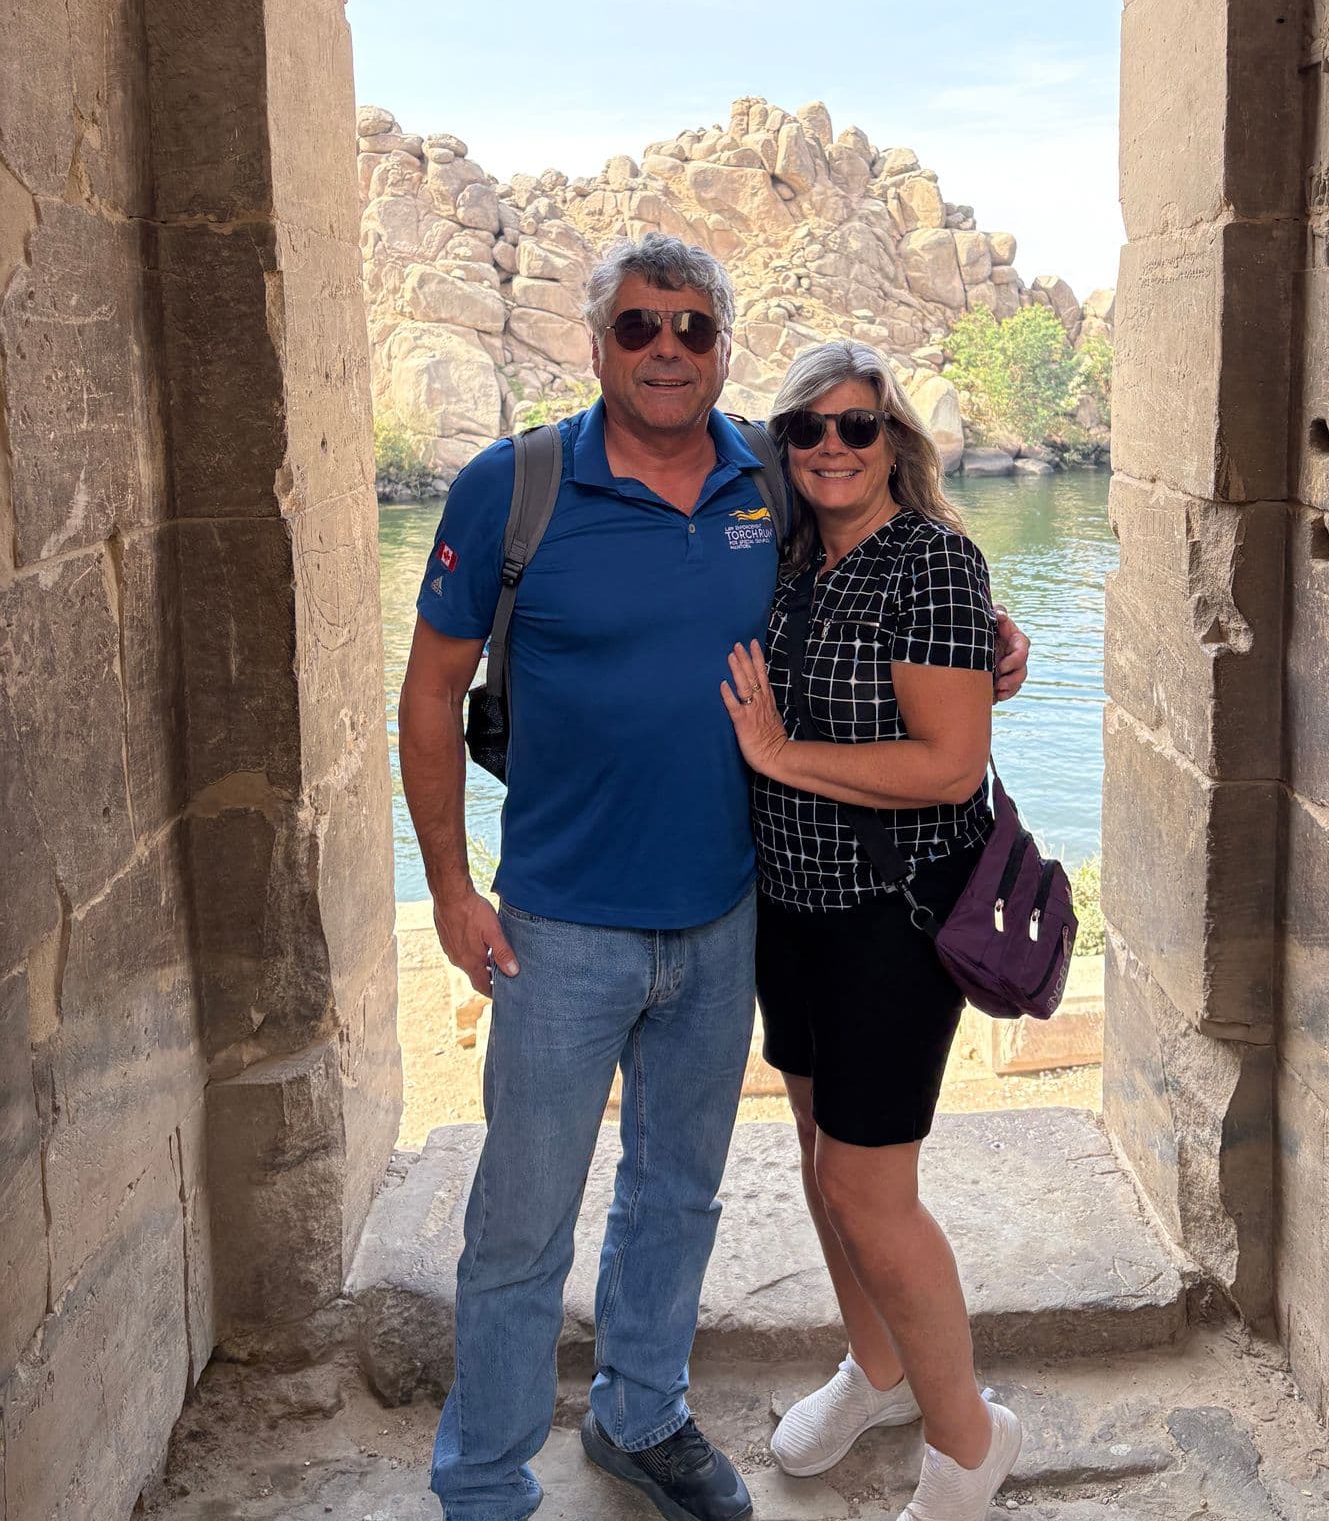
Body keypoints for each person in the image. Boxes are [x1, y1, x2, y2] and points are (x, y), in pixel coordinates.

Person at [400, 236, 1030, 1521]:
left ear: (723, 346)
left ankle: (640, 1413)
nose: (667, 350)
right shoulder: (507, 488)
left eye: (693, 328)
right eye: (639, 327)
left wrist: (992, 636)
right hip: (560, 924)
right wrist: (452, 889)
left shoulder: (771, 475)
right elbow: (426, 696)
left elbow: (892, 550)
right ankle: (481, 1477)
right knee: (522, 1218)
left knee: (676, 1192)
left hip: (729, 915)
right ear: (597, 342)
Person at [720, 339, 1023, 1521]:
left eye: (859, 425)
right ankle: (879, 1366)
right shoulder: (793, 553)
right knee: (818, 1156)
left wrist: (781, 753)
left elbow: (951, 768)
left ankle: (967, 1440)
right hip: (791, 909)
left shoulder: (934, 561)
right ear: (784, 447)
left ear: (895, 438)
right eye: (809, 429)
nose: (832, 446)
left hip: (891, 915)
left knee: (868, 1185)